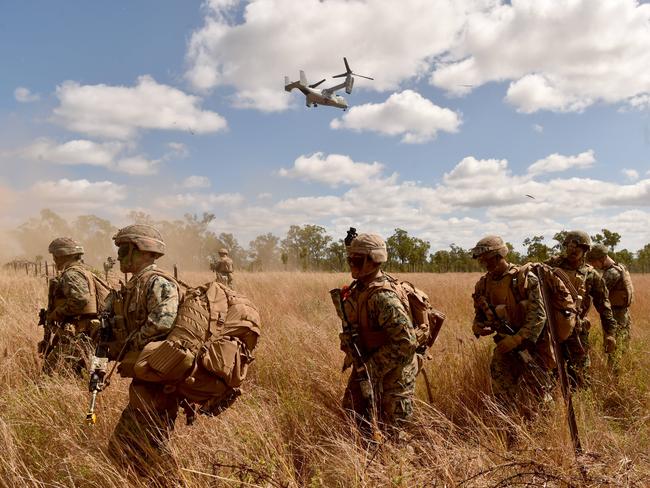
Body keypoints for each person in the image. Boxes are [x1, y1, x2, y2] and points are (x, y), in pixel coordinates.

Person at [105, 224, 181, 473]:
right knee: (142, 452)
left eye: (124, 250)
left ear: (143, 251)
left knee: (136, 452)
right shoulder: (135, 285)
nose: (118, 257)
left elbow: (163, 321)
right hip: (146, 382)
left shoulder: (157, 283)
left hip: (158, 383)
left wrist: (130, 346)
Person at [337, 233, 417, 437]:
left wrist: (372, 368)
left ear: (373, 260)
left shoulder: (383, 296)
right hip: (368, 366)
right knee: (354, 420)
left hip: (394, 375)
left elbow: (406, 343)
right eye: (350, 259)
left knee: (394, 435)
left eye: (356, 260)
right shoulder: (361, 287)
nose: (351, 264)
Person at [470, 235, 549, 410]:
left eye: (488, 260)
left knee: (539, 393)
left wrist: (516, 340)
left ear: (499, 256)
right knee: (501, 394)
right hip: (504, 346)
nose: (485, 264)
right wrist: (478, 326)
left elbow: (538, 316)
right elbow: (480, 315)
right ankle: (508, 427)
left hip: (531, 347)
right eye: (482, 261)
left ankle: (543, 430)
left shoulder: (524, 279)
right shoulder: (483, 284)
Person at [546, 231, 617, 388]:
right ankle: (552, 407)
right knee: (549, 373)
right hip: (551, 328)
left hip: (577, 330)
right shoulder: (549, 267)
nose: (572, 252)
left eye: (577, 250)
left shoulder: (591, 275)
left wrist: (610, 333)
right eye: (569, 248)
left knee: (579, 375)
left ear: (585, 250)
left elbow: (604, 306)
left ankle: (580, 406)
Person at [40, 237, 102, 376]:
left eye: (55, 255)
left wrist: (58, 312)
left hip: (78, 330)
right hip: (85, 330)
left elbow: (80, 299)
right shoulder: (84, 272)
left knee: (50, 371)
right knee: (82, 371)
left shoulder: (71, 274)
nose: (54, 259)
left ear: (63, 255)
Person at [586, 243, 634, 371]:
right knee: (621, 348)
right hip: (623, 315)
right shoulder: (620, 267)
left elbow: (598, 292)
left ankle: (615, 378)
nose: (593, 265)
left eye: (594, 262)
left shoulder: (611, 273)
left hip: (615, 316)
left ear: (602, 259)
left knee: (614, 349)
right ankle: (619, 374)